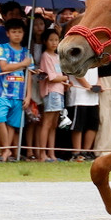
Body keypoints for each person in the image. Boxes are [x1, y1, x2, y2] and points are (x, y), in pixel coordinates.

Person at [0, 18, 32, 162]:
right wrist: (23, 64)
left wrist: (28, 96)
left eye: (20, 32)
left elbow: (30, 75)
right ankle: (6, 149)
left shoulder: (27, 53)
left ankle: (6, 153)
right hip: (2, 92)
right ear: (8, 33)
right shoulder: (2, 48)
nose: (17, 34)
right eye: (14, 32)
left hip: (18, 94)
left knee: (12, 125)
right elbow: (4, 67)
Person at [38, 28, 68, 162]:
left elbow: (59, 76)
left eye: (56, 40)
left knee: (54, 124)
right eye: (51, 40)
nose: (54, 43)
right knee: (47, 122)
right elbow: (52, 77)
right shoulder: (46, 56)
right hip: (51, 91)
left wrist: (64, 80)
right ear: (45, 41)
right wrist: (65, 78)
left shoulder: (57, 56)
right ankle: (42, 154)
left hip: (60, 91)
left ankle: (52, 154)